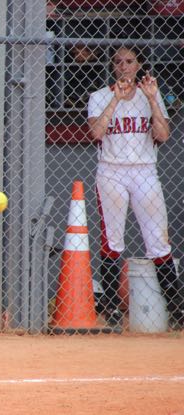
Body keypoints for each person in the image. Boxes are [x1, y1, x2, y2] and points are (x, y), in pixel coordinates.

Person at [88, 46, 184, 330]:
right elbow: (96, 132)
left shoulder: (149, 95)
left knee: (158, 240)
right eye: (118, 62)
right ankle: (111, 309)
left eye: (130, 61)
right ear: (112, 66)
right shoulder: (99, 97)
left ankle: (176, 308)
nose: (124, 67)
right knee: (113, 240)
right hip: (111, 170)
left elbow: (163, 135)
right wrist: (116, 100)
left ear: (138, 65)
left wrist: (154, 99)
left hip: (144, 170)